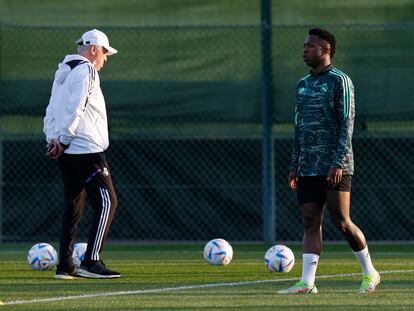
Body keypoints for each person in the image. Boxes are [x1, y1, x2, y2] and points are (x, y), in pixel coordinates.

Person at [279, 28, 380, 294]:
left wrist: (337, 162)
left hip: (336, 164)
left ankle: (370, 273)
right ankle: (307, 283)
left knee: (341, 221)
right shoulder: (302, 85)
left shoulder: (340, 81)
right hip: (307, 165)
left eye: (310, 46)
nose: (305, 49)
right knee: (310, 221)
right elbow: (299, 127)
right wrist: (294, 164)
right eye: (304, 45)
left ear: (325, 50)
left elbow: (347, 123)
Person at [43, 29, 121, 279]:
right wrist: (63, 140)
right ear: (94, 49)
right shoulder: (86, 70)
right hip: (85, 149)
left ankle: (65, 266)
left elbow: (51, 109)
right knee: (108, 202)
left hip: (67, 151)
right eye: (105, 53)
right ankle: (91, 260)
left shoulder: (63, 72)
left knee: (73, 207)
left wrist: (52, 139)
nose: (105, 59)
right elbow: (77, 107)